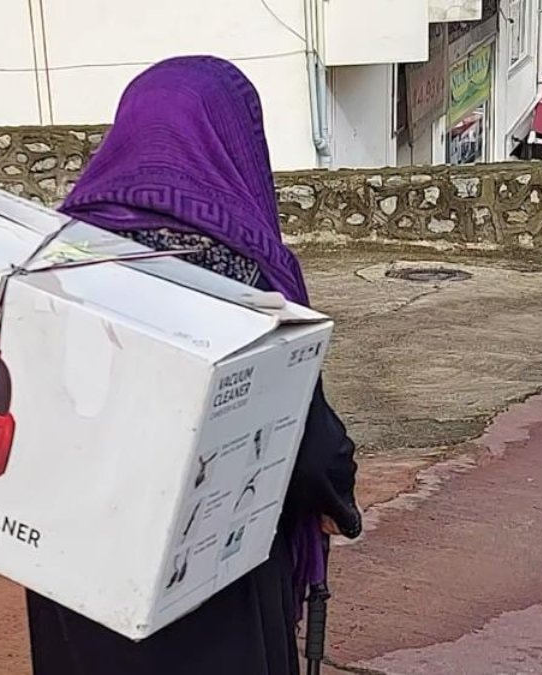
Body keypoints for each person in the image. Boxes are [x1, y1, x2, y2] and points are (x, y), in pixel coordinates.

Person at [26, 55, 362, 675]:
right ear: (234, 143)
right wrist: (336, 497)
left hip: (77, 577)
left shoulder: (52, 263)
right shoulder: (243, 277)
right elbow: (307, 446)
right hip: (216, 582)